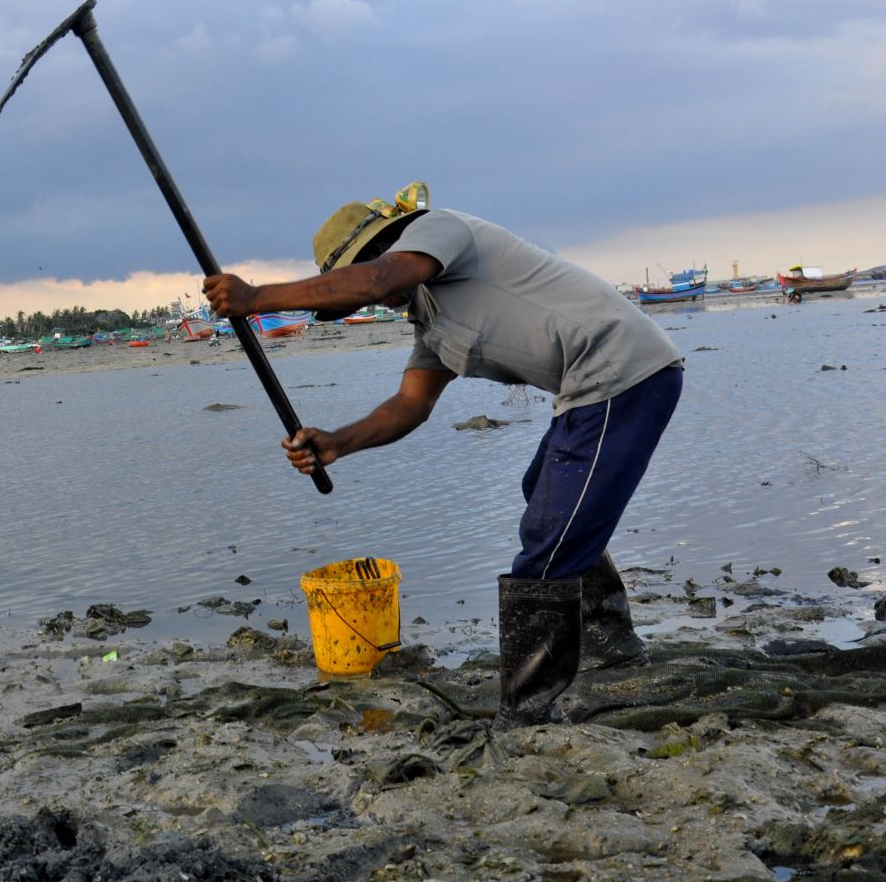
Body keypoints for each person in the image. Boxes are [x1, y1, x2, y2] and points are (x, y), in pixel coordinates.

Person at [203, 182, 683, 728]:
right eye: (357, 297)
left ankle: (528, 712)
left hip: (623, 373)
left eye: (360, 279)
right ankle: (610, 640)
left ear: (382, 245)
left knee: (546, 552)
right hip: (589, 387)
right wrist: (338, 442)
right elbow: (411, 404)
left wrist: (256, 298)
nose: (371, 297)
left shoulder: (441, 230)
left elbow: (381, 276)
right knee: (545, 502)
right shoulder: (428, 316)